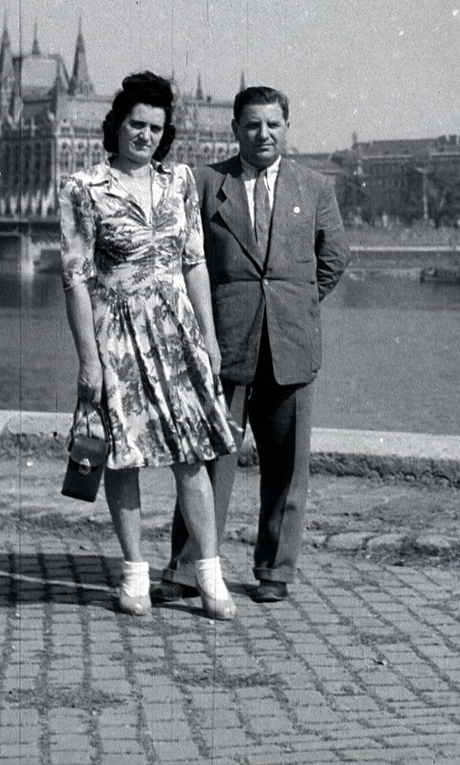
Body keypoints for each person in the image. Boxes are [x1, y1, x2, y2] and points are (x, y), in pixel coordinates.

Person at [58, 71, 239, 619]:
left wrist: (208, 337)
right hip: (117, 335)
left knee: (192, 455)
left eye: (157, 127)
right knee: (124, 458)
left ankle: (210, 574)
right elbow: (75, 279)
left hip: (177, 333)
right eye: (137, 124)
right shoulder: (83, 189)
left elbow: (195, 262)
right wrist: (89, 359)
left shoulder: (180, 181)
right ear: (116, 126)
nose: (146, 136)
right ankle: (134, 572)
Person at [160, 85, 350, 604]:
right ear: (235, 130)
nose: (262, 134)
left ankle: (275, 570)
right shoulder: (206, 183)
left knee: (287, 467)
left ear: (287, 128)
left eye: (272, 125)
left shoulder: (315, 187)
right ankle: (187, 566)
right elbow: (181, 258)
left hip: (290, 345)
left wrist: (294, 304)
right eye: (251, 125)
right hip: (223, 345)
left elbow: (333, 260)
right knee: (209, 460)